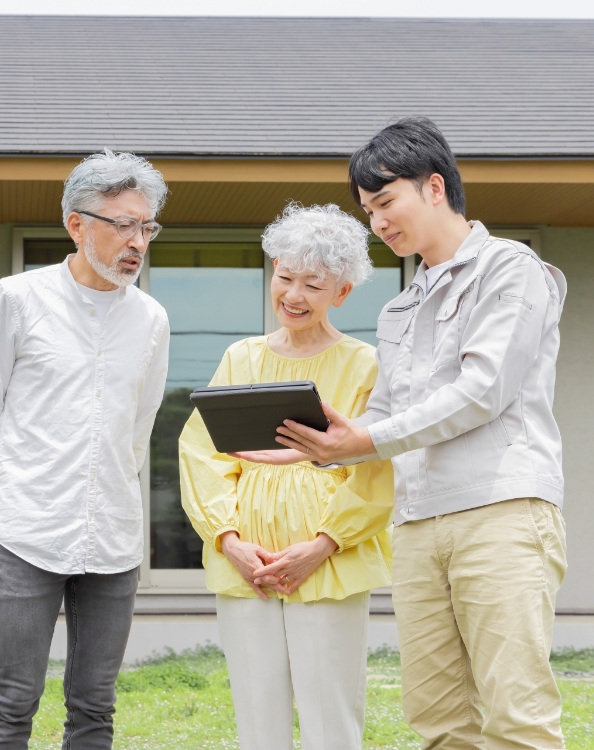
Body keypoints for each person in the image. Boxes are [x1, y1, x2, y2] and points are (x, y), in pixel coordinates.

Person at [247, 119, 569, 749]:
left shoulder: (510, 269)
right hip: (417, 523)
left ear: (436, 188)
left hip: (499, 510)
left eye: (386, 202)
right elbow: (385, 412)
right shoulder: (398, 308)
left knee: (516, 716)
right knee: (438, 720)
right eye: (368, 210)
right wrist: (309, 446)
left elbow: (483, 391)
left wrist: (360, 442)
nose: (378, 223)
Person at [0, 149, 171, 750]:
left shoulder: (152, 319)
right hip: (29, 532)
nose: (137, 241)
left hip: (113, 537)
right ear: (77, 225)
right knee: (13, 699)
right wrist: (11, 505)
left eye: (147, 226)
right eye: (123, 225)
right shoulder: (17, 298)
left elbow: (140, 426)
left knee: (94, 706)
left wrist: (114, 495)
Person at [178, 203, 395, 750]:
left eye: (313, 285)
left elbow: (379, 467)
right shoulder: (240, 357)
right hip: (246, 563)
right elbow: (202, 453)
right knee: (257, 716)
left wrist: (322, 545)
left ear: (341, 293)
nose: (294, 295)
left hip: (328, 562)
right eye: (285, 277)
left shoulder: (365, 365)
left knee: (331, 717)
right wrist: (230, 542)